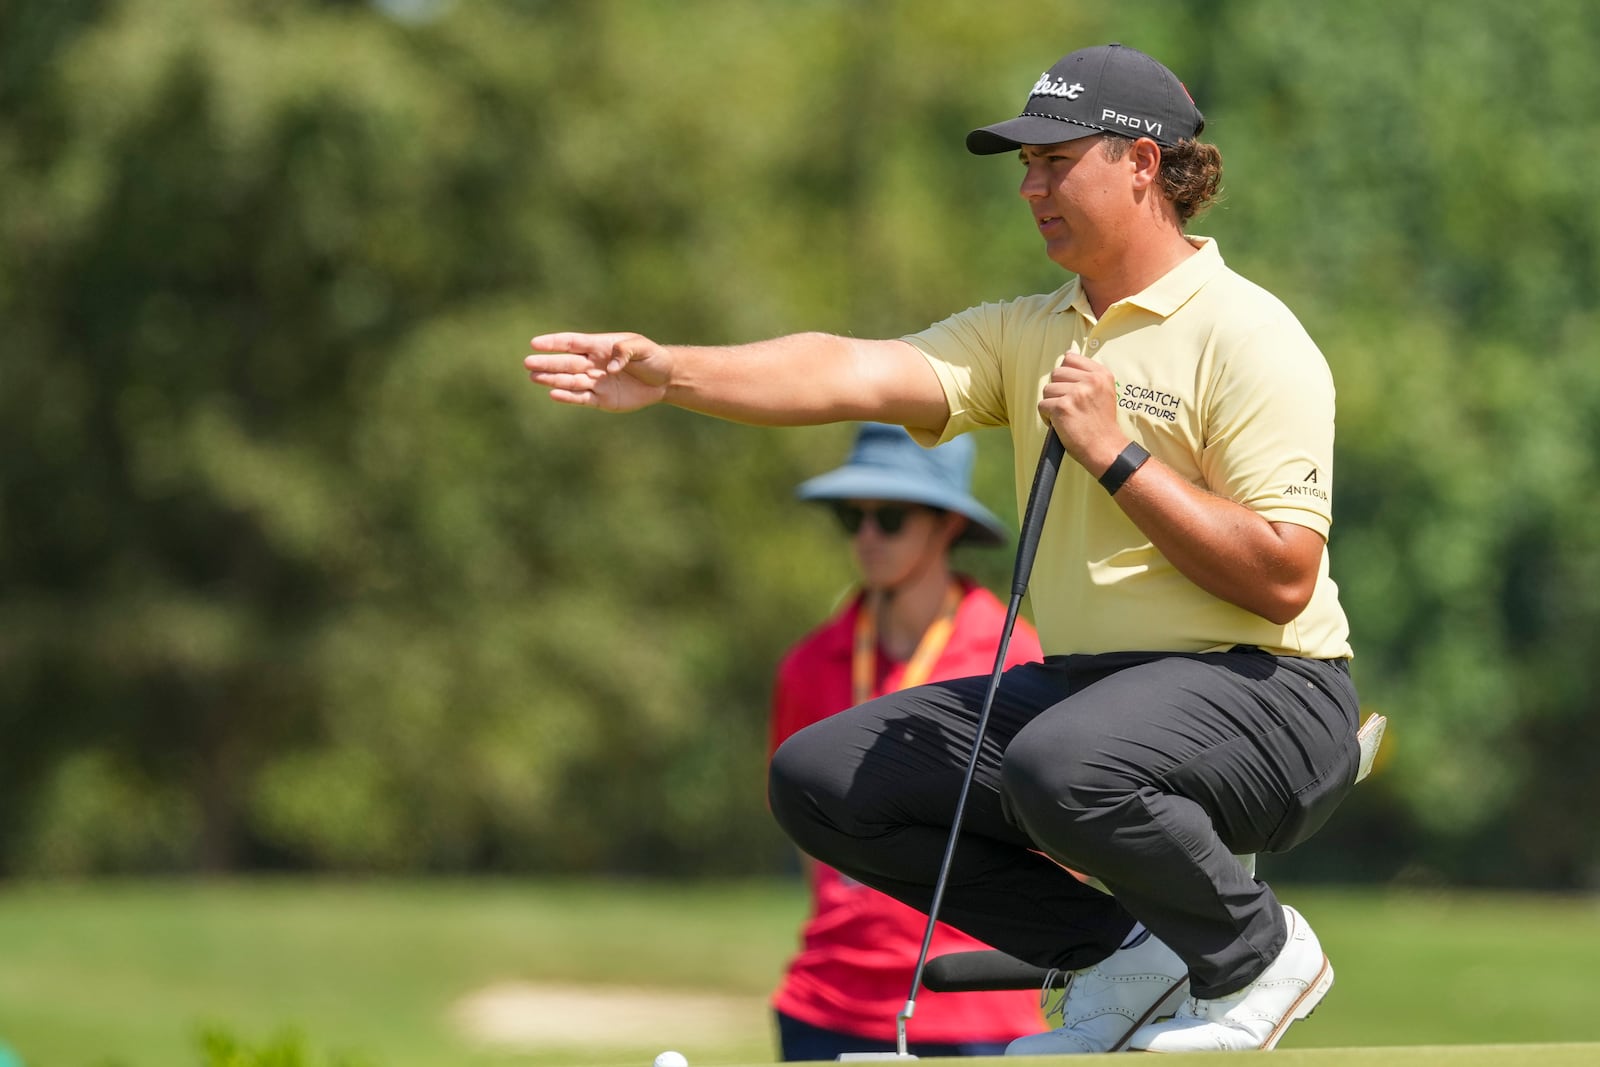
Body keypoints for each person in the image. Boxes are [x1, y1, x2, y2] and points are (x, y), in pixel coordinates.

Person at [526, 41, 1359, 1055]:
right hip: (1096, 699)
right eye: (1025, 166)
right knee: (822, 776)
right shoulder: (1028, 330)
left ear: (1142, 164)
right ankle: (1119, 957)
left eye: (1056, 161)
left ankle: (1254, 950)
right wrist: (672, 373)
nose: (1030, 187)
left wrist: (1114, 452)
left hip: (1276, 696)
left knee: (1062, 761)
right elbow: (852, 371)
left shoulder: (1249, 333)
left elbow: (1281, 578)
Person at [768, 423, 1045, 1060]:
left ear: (947, 526)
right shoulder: (808, 666)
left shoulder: (1016, 659)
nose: (866, 537)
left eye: (889, 518)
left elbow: (1061, 836)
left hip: (978, 1004)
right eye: (851, 517)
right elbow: (807, 831)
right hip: (826, 1000)